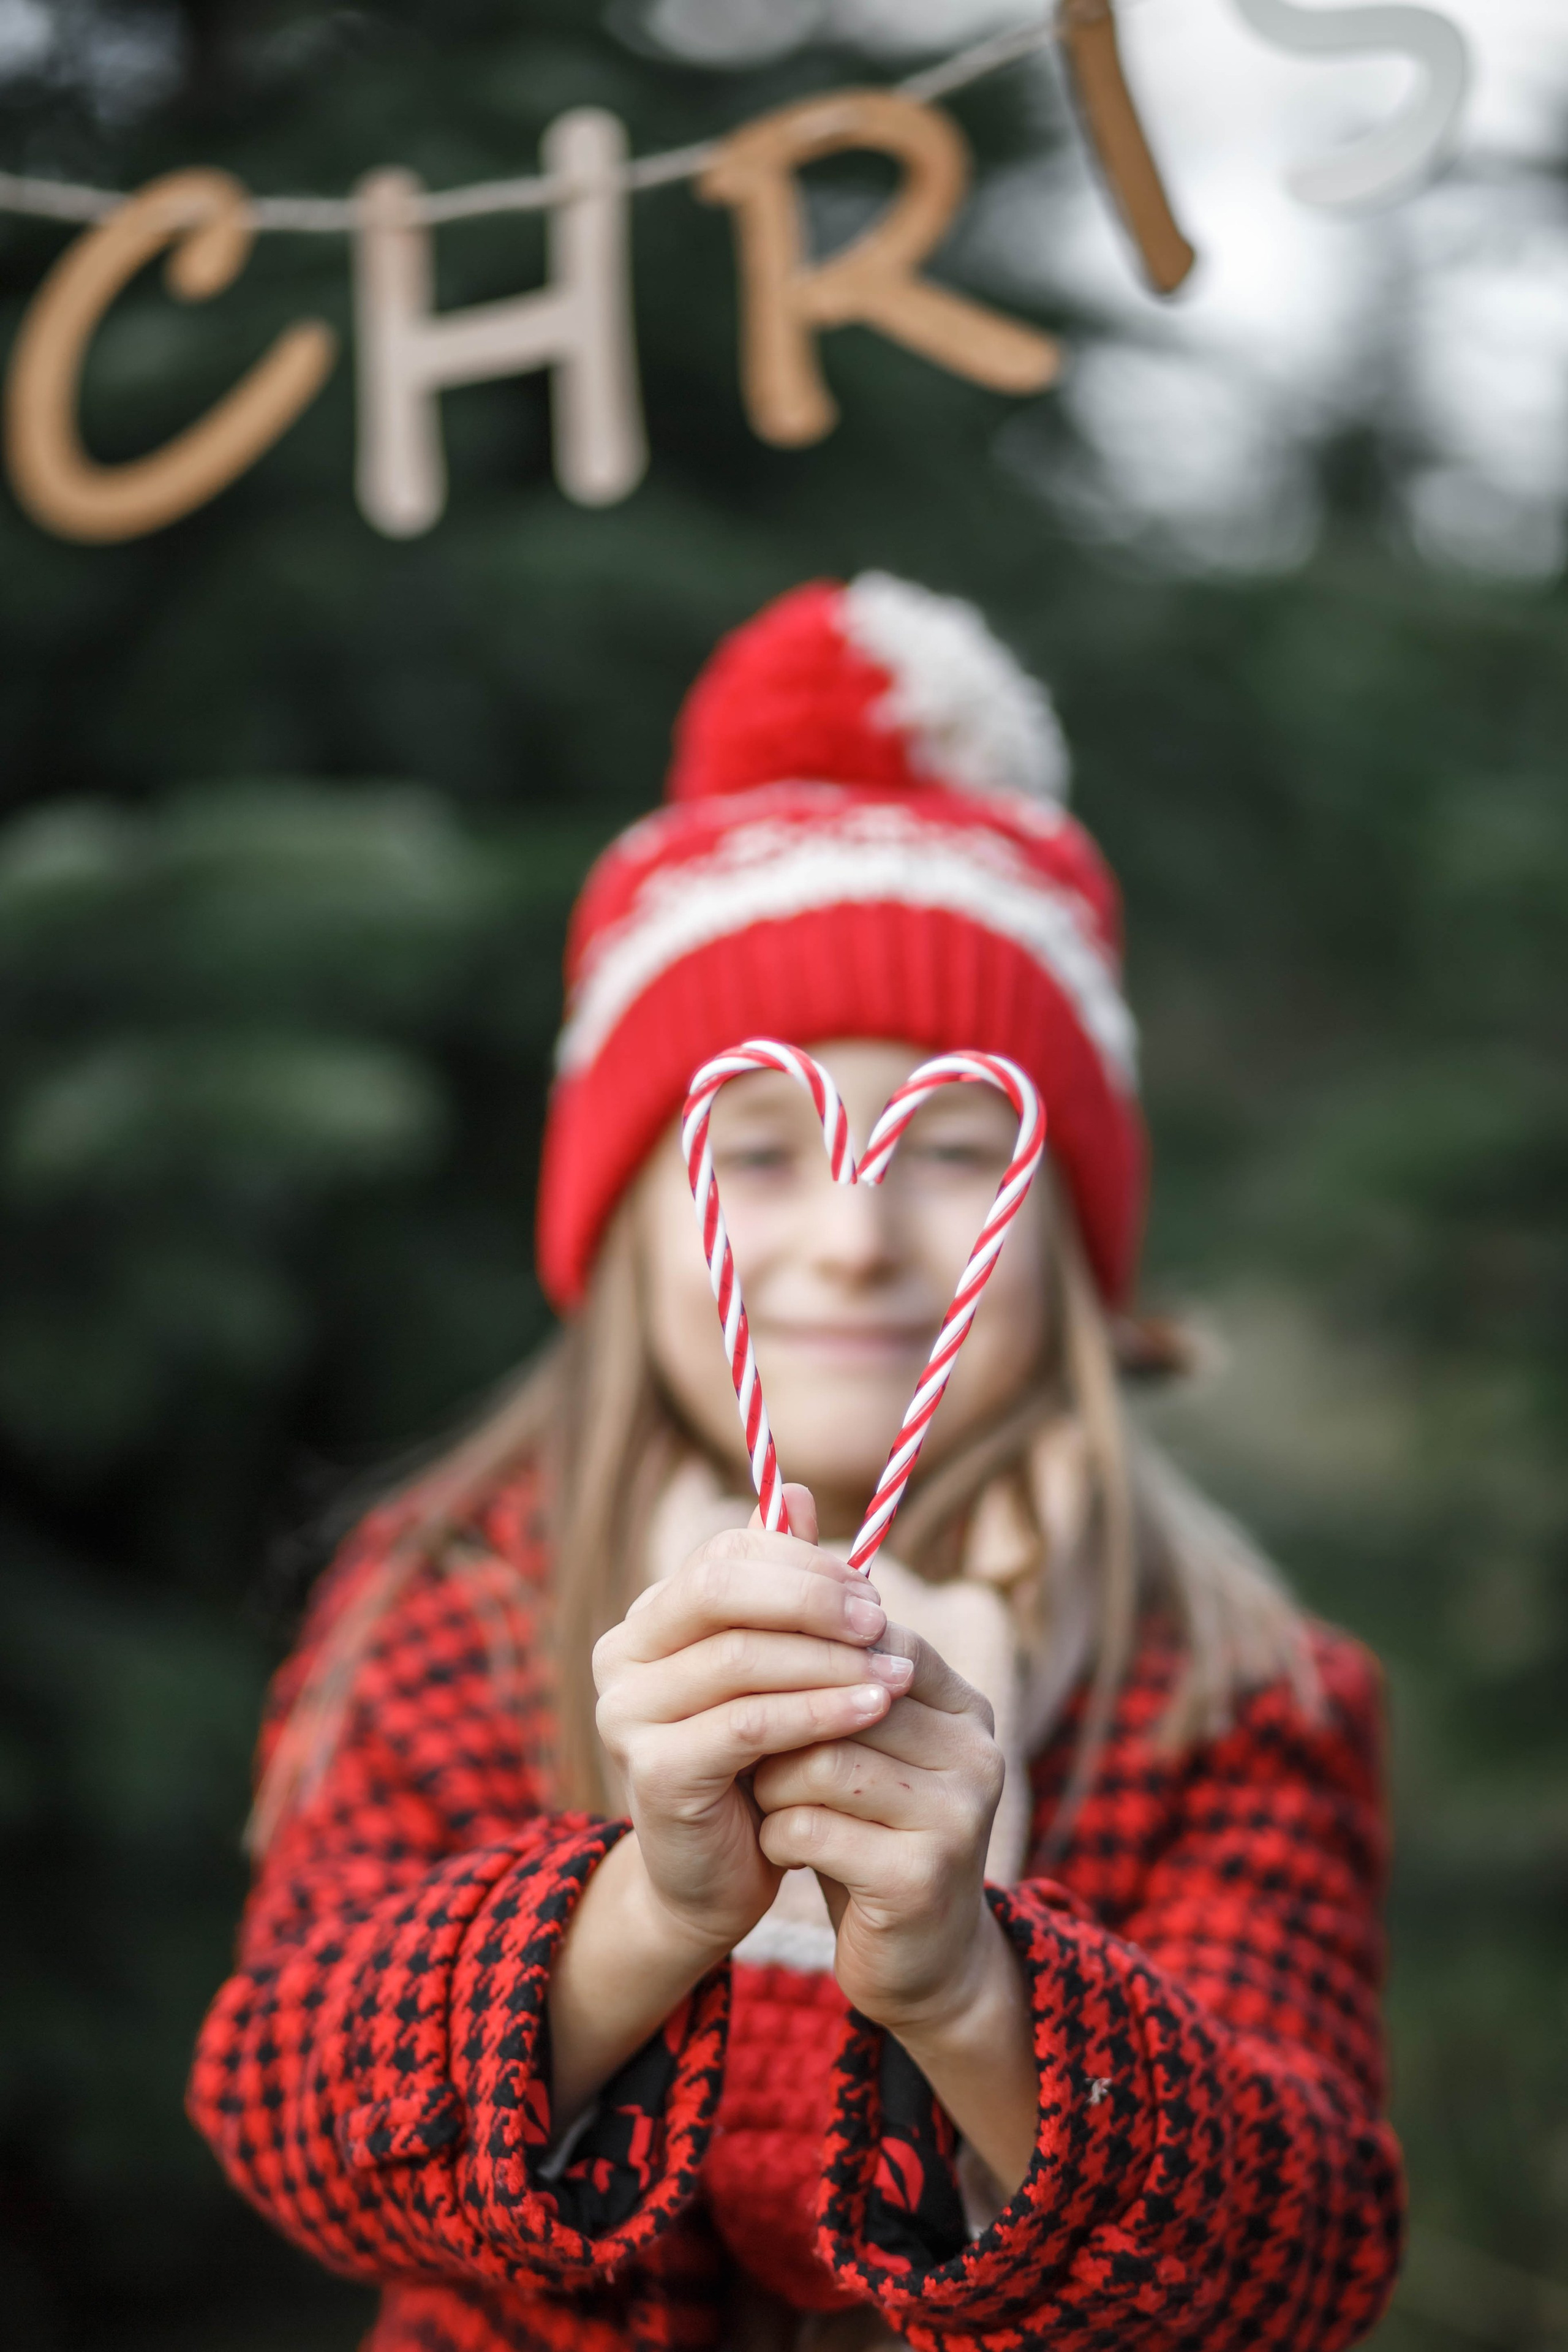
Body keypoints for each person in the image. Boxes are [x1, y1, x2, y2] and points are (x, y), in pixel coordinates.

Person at [189, 575, 1403, 2352]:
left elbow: (1297, 2263)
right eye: (761, 1153)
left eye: (951, 1150)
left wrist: (970, 1993)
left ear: (1068, 1232)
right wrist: (646, 1910)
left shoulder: (1228, 1694)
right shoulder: (459, 1606)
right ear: (626, 1224)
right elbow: (290, 2106)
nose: (852, 1240)